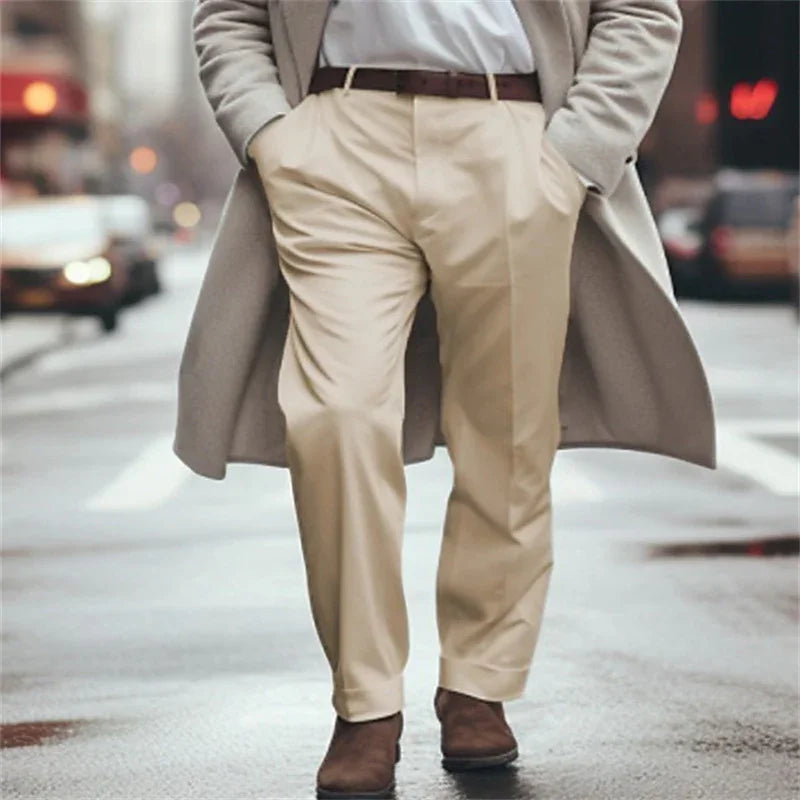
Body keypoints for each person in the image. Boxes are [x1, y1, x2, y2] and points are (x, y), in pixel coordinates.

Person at [176, 1, 716, 797]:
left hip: (516, 134)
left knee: (506, 429)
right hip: (335, 134)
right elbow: (228, 13)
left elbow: (640, 10)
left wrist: (576, 152)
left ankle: (479, 682)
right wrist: (270, 132)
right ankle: (365, 705)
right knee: (334, 417)